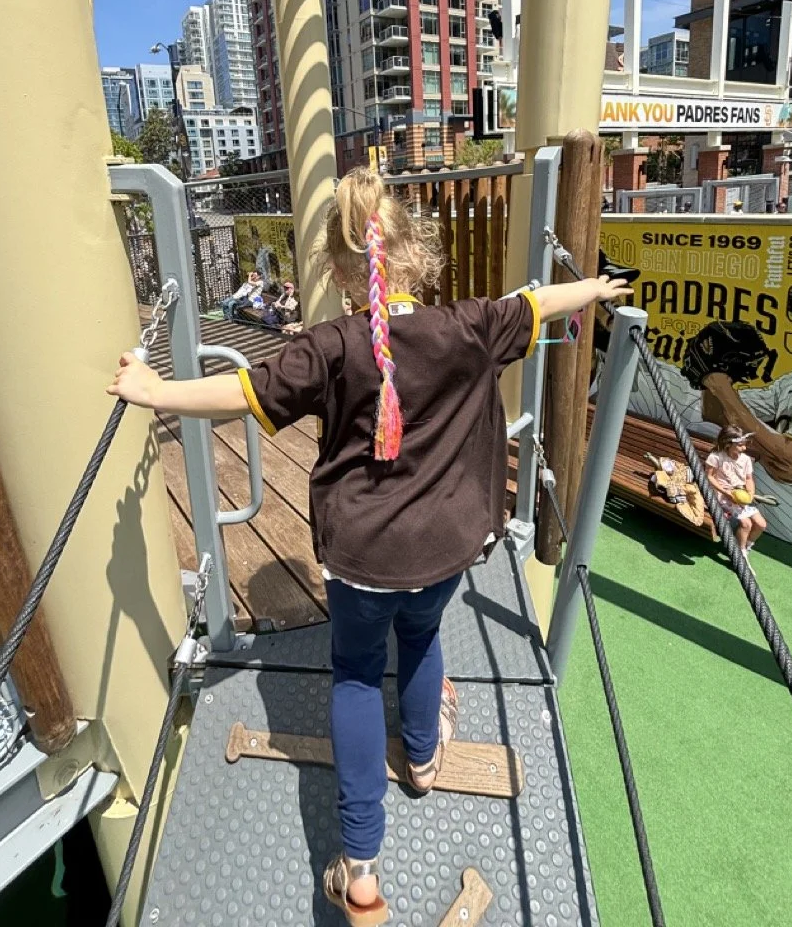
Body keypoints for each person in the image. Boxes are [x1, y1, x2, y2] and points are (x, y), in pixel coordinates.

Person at [108, 168, 630, 925]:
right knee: (421, 642)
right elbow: (539, 301)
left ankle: (360, 871)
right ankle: (422, 758)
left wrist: (154, 390)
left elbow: (241, 393)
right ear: (417, 253)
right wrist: (600, 290)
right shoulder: (472, 325)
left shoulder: (330, 345)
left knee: (356, 674)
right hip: (447, 547)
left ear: (335, 267)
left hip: (362, 559)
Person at [626, 262, 792, 561]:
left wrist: (718, 383)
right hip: (783, 509)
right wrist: (717, 370)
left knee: (740, 453)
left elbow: (788, 465)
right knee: (706, 428)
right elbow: (716, 415)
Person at [704, 426, 766, 562]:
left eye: (745, 444)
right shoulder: (716, 457)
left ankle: (745, 545)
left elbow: (749, 479)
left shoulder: (746, 460)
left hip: (741, 497)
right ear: (728, 444)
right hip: (722, 497)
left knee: (761, 524)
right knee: (746, 524)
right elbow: (709, 477)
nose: (744, 448)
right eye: (740, 445)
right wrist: (725, 492)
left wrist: (750, 493)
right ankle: (740, 553)